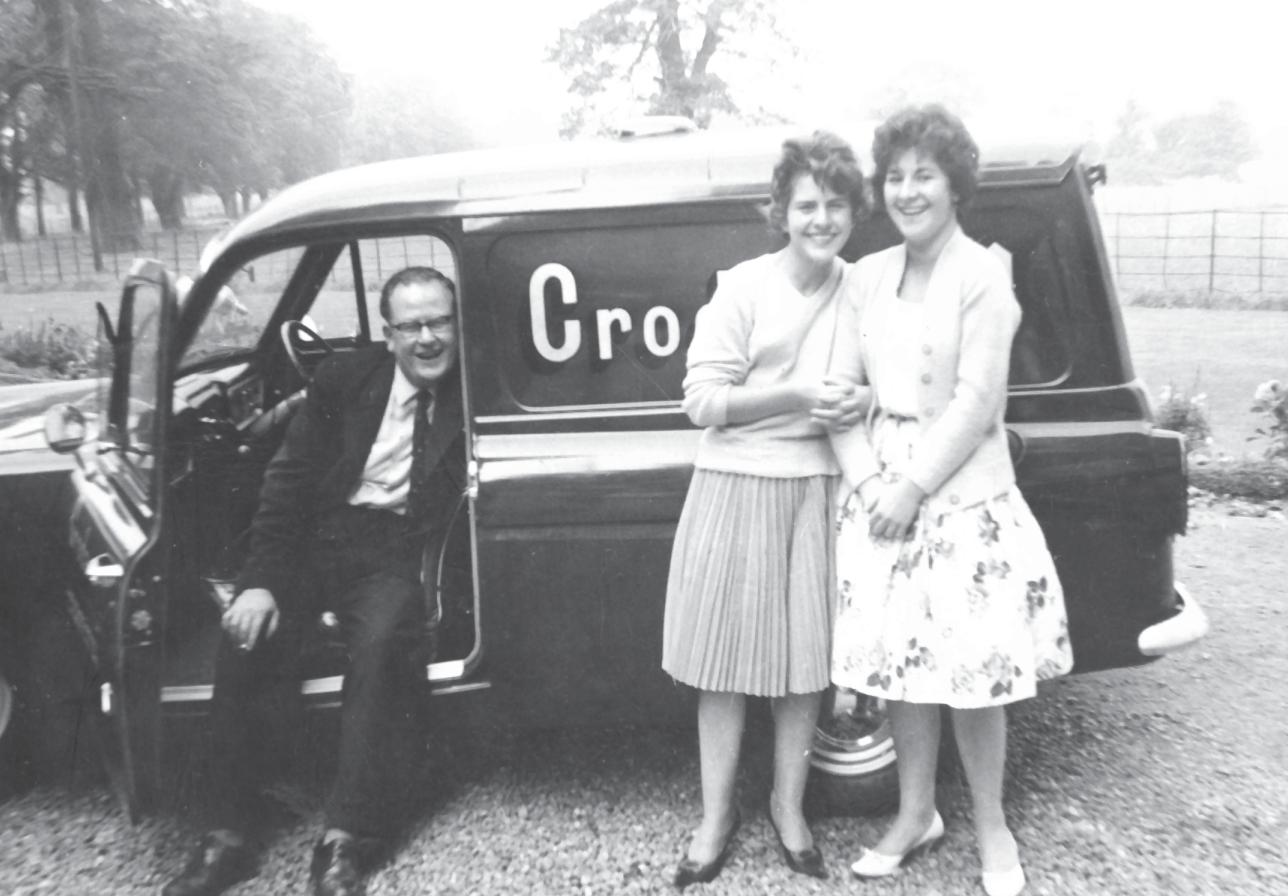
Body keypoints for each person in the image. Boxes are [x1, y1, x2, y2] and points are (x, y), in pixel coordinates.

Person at [828, 105, 1074, 896]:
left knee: (973, 668)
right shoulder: (865, 276)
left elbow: (977, 403)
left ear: (955, 184)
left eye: (924, 175)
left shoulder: (983, 276)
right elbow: (840, 396)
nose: (907, 191)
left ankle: (992, 826)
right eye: (896, 177)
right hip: (880, 500)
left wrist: (911, 487)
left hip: (960, 499)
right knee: (901, 665)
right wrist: (872, 484)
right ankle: (915, 816)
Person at [163, 266, 465, 896]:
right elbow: (289, 482)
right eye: (411, 326)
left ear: (457, 325)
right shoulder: (344, 379)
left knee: (383, 646)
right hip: (319, 539)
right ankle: (227, 834)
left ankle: (347, 838)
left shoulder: (474, 389)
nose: (428, 338)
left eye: (439, 322)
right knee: (247, 632)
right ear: (388, 335)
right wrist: (259, 582)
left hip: (395, 549)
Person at [661, 130, 868, 888]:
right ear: (781, 211)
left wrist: (861, 398)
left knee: (804, 667)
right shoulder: (743, 286)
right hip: (735, 484)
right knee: (721, 664)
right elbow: (701, 401)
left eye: (836, 204)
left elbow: (891, 383)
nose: (822, 219)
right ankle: (716, 815)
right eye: (807, 205)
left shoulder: (864, 289)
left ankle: (788, 806)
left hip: (816, 488)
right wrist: (796, 395)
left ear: (854, 212)